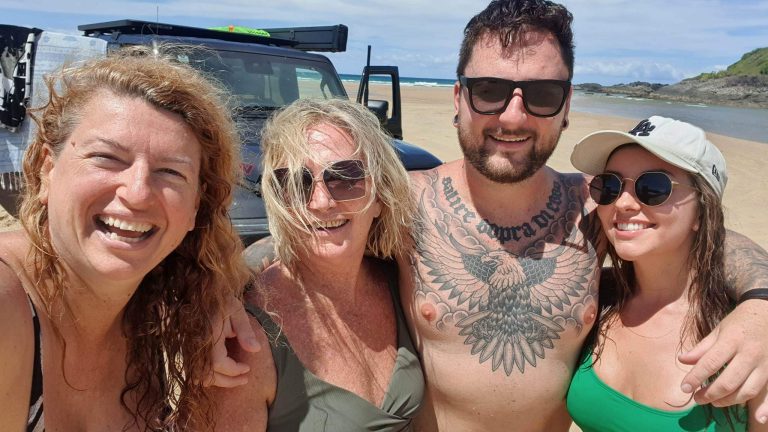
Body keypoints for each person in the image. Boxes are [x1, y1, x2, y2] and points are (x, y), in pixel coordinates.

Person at [396, 1, 768, 430]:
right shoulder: (404, 203)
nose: (513, 116)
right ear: (459, 98)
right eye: (488, 91)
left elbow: (702, 237)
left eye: (543, 95)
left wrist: (760, 306)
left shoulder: (595, 203)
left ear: (567, 105)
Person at [0, 46, 253, 430]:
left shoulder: (158, 310)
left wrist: (218, 300)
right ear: (46, 171)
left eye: (170, 172)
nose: (137, 193)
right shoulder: (8, 304)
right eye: (107, 158)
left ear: (195, 208)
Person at [213, 98, 424, 430]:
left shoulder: (401, 280)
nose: (321, 202)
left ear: (380, 197)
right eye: (297, 183)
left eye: (345, 177)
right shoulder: (248, 335)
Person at [566, 116, 768, 431]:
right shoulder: (596, 300)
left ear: (701, 212)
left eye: (653, 187)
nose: (623, 202)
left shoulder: (749, 335)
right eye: (610, 186)